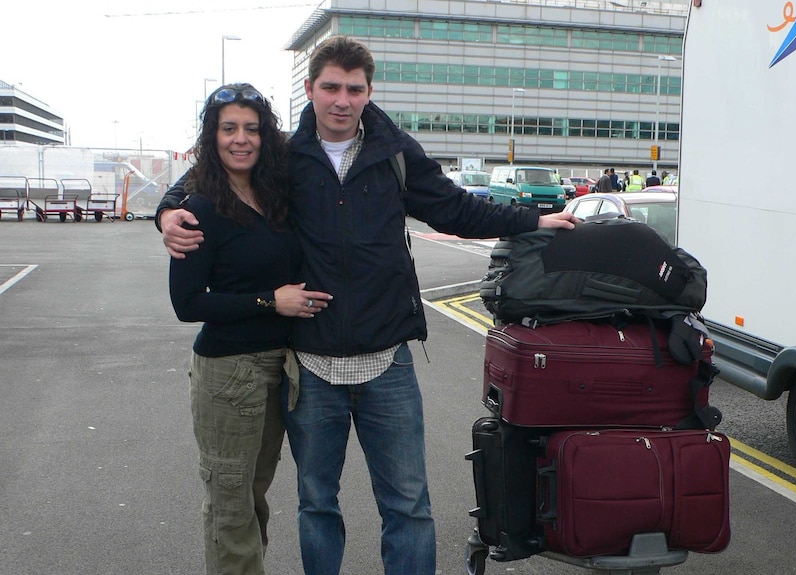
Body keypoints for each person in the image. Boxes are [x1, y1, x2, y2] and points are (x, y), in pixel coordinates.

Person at [158, 36, 576, 575]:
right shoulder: (285, 155)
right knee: (317, 505)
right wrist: (167, 211)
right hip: (310, 363)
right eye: (330, 86)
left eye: (354, 89)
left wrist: (532, 221)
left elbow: (454, 208)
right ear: (309, 90)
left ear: (369, 92)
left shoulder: (393, 151)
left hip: (388, 362)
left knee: (408, 506)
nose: (341, 99)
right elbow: (215, 177)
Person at [168, 82, 332, 575]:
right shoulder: (200, 209)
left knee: (251, 497)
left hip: (279, 368)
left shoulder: (272, 195)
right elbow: (187, 304)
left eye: (252, 129)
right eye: (229, 129)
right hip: (228, 373)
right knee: (230, 503)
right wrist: (271, 301)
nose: (241, 139)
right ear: (212, 137)